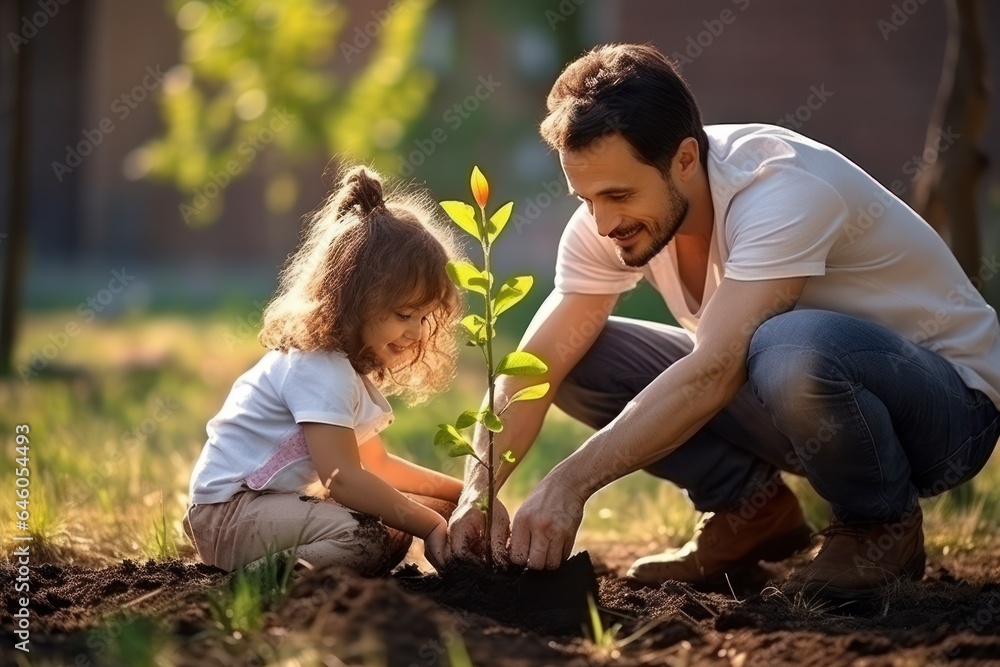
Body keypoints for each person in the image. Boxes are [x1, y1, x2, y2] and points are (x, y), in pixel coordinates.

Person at [446, 43, 1000, 598]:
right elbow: (534, 367)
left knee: (785, 342)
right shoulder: (608, 220)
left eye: (618, 194)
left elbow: (714, 368)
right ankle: (747, 513)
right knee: (577, 354)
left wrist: (570, 482)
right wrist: (479, 489)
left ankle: (879, 527)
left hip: (947, 412)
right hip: (806, 406)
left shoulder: (780, 187)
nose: (602, 220)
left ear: (685, 159)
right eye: (586, 197)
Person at [183, 166, 465, 575]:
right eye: (405, 313)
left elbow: (378, 467)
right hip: (228, 515)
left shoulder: (344, 370)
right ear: (355, 299)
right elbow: (342, 478)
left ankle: (307, 575)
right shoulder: (319, 367)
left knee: (408, 516)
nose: (416, 331)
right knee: (365, 535)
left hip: (264, 510)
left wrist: (466, 495)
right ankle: (255, 583)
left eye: (425, 317)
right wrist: (431, 524)